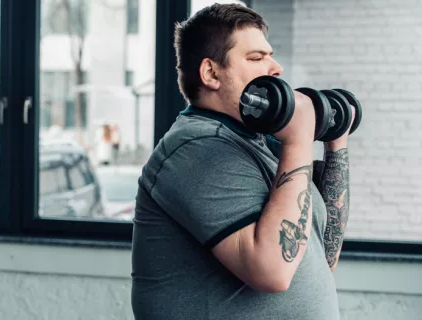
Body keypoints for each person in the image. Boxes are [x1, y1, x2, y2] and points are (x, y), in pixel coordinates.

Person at [131, 4, 354, 320]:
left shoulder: (258, 143)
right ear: (211, 73)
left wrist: (336, 140)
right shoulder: (196, 148)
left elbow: (324, 252)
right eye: (256, 58)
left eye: (270, 55)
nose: (275, 67)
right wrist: (299, 140)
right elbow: (272, 272)